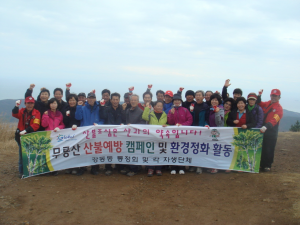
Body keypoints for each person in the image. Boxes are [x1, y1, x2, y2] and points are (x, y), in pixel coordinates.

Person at [75, 92, 105, 175]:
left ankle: (94, 168)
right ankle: (82, 168)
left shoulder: (99, 108)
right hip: (84, 133)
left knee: (95, 150)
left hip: (96, 133)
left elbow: (103, 119)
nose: (91, 99)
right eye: (89, 98)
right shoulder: (83, 108)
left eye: (93, 98)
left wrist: (99, 125)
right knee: (83, 150)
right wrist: (78, 107)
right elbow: (78, 117)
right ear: (87, 99)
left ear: (95, 99)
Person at [12, 97, 41, 178]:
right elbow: (14, 114)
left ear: (34, 104)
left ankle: (31, 170)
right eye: (28, 103)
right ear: (25, 104)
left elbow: (36, 125)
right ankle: (22, 171)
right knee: (22, 154)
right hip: (20, 136)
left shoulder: (37, 113)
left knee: (31, 153)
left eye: (31, 103)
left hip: (30, 135)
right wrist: (16, 106)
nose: (30, 105)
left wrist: (26, 131)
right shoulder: (21, 111)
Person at [257, 89, 283, 172]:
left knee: (269, 148)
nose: (273, 97)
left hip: (271, 129)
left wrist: (266, 126)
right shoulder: (267, 103)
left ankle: (267, 165)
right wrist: (259, 95)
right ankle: (261, 164)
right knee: (262, 146)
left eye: (275, 96)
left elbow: (275, 119)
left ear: (279, 97)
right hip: (263, 127)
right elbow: (258, 103)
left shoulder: (279, 108)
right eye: (272, 95)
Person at [100, 92, 125, 176]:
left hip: (119, 134)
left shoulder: (122, 109)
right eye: (113, 99)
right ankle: (108, 167)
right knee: (109, 150)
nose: (115, 101)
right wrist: (102, 107)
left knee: (119, 150)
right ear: (110, 100)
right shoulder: (106, 108)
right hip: (109, 134)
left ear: (119, 100)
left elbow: (124, 119)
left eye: (117, 99)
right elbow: (102, 116)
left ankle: (119, 167)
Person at [167, 94, 193, 175]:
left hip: (183, 134)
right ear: (173, 101)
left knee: (182, 150)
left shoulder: (185, 110)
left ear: (181, 101)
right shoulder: (170, 110)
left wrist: (182, 125)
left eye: (178, 100)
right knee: (173, 150)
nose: (177, 102)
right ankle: (173, 167)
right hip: (173, 134)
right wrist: (171, 114)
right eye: (175, 100)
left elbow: (190, 120)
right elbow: (170, 122)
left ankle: (182, 168)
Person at [121, 94, 146, 176]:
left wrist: (132, 125)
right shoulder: (128, 110)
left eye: (135, 100)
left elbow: (143, 123)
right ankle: (131, 167)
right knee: (128, 151)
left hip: (136, 135)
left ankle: (134, 169)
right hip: (128, 135)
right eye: (132, 100)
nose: (133, 101)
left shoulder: (140, 111)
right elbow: (124, 120)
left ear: (138, 101)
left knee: (134, 152)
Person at [142, 101, 168, 177]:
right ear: (154, 107)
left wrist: (166, 125)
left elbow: (169, 124)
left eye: (161, 106)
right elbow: (144, 117)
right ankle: (150, 168)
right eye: (158, 106)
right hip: (152, 137)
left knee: (160, 152)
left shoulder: (165, 115)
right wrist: (147, 108)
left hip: (161, 137)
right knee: (151, 152)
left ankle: (158, 168)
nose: (159, 107)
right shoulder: (150, 114)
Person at [189, 90, 209, 173]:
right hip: (194, 130)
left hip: (202, 130)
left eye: (199, 95)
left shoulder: (206, 107)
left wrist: (206, 124)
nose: (197, 96)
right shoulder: (192, 106)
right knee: (193, 148)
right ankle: (193, 165)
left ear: (203, 97)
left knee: (200, 148)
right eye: (196, 95)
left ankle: (199, 166)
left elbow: (207, 118)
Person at [205, 93, 225, 174]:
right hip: (210, 132)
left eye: (216, 100)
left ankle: (216, 166)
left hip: (218, 132)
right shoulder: (210, 109)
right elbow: (207, 119)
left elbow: (220, 123)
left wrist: (217, 112)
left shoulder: (221, 109)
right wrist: (206, 124)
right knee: (210, 149)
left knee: (216, 149)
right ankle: (211, 166)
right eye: (213, 100)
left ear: (219, 101)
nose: (214, 101)